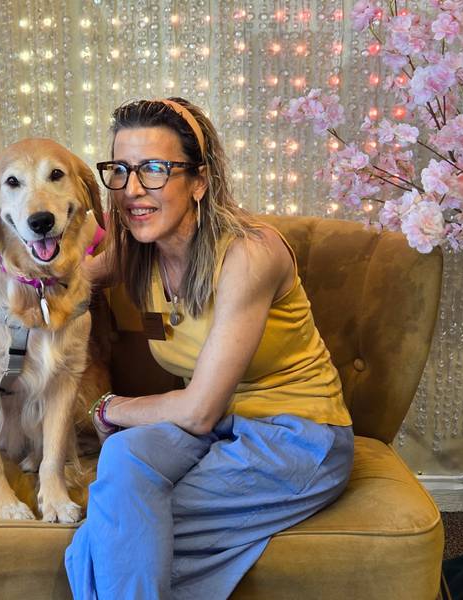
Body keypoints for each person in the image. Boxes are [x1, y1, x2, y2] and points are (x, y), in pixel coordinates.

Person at [65, 97, 355, 599]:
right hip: (215, 431)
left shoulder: (250, 252)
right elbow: (56, 290)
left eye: (155, 169)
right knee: (125, 461)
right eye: (121, 170)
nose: (132, 190)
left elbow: (199, 411)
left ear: (199, 180)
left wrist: (107, 410)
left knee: (111, 532)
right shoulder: (135, 251)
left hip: (293, 435)